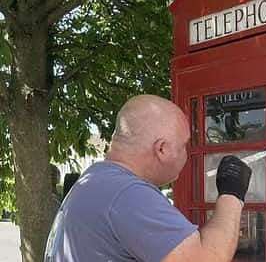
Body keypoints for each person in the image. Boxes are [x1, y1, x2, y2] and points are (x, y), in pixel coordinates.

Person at [44, 95, 252, 262]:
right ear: (162, 149)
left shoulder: (95, 180)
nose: (187, 153)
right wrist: (232, 193)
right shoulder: (127, 194)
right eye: (184, 145)